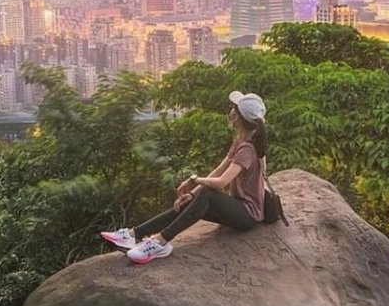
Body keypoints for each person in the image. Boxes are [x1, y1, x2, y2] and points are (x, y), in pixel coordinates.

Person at [101, 90, 268, 263]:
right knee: (194, 197)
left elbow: (221, 182)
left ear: (237, 117)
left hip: (247, 216)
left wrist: (193, 180)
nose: (231, 110)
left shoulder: (247, 148)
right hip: (237, 208)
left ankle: (161, 242)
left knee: (207, 193)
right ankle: (133, 234)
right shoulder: (241, 141)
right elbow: (218, 170)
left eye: (234, 108)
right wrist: (192, 193)